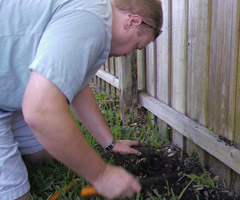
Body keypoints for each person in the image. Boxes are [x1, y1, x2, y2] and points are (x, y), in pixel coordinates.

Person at [0, 0, 163, 199]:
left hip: (6, 95)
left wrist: (110, 143)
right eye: (137, 46)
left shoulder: (93, 15)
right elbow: (40, 111)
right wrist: (101, 175)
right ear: (133, 22)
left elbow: (75, 86)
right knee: (16, 195)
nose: (128, 54)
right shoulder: (90, 21)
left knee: (43, 155)